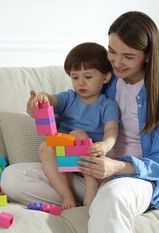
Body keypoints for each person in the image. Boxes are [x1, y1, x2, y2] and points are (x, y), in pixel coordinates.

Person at [1, 11, 159, 233]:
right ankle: (88, 200)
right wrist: (40, 111)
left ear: (148, 56)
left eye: (128, 56)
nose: (117, 62)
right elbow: (72, 113)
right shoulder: (106, 80)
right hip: (90, 171)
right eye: (112, 51)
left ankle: (101, 203)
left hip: (131, 179)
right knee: (13, 177)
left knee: (114, 196)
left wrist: (116, 167)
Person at [26, 42, 119, 209]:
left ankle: (91, 186)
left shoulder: (107, 104)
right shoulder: (69, 98)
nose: (80, 83)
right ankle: (66, 196)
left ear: (105, 77)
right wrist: (41, 98)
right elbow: (51, 100)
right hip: (64, 159)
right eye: (75, 77)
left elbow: (112, 130)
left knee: (78, 134)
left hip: (89, 160)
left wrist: (104, 146)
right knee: (44, 147)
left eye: (88, 77)